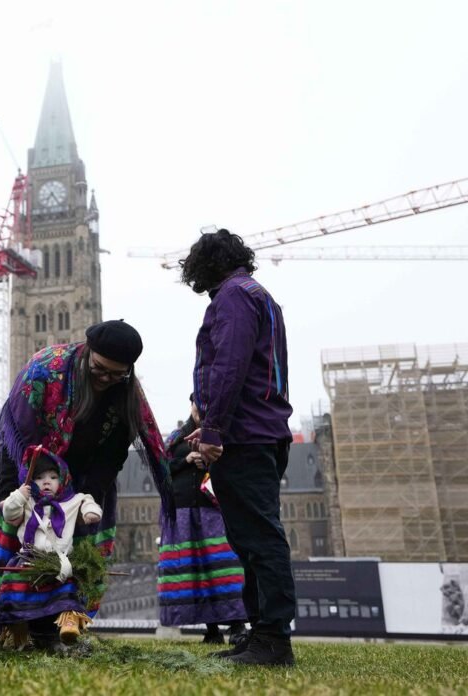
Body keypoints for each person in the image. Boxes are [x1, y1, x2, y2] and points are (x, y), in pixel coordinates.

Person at [0, 319, 171, 648]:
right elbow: (15, 438)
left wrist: (84, 499)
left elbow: (112, 456)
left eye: (116, 374)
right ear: (88, 352)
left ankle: (59, 626)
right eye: (99, 369)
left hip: (82, 475)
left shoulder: (125, 395)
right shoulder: (44, 370)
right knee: (10, 537)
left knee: (75, 547)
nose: (105, 380)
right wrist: (18, 496)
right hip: (20, 463)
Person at [180, 229, 296, 666]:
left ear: (206, 263)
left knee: (260, 537)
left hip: (245, 435)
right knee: (249, 536)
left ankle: (273, 639)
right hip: (261, 429)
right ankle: (259, 629)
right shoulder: (257, 294)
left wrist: (213, 429)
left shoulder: (231, 297)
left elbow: (228, 366)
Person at [158, 398, 246, 644]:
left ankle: (238, 626)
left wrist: (208, 462)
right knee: (195, 571)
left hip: (213, 511)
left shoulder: (222, 435)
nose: (201, 411)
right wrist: (186, 460)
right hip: (183, 511)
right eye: (198, 405)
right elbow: (161, 469)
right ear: (191, 405)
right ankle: (212, 630)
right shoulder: (176, 438)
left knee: (223, 569)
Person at [0, 446, 102, 648]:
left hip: (58, 558)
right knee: (13, 586)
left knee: (68, 587)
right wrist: (19, 495)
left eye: (53, 477)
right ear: (31, 482)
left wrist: (90, 512)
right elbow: (9, 513)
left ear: (62, 480)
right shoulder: (25, 501)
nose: (46, 481)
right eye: (40, 477)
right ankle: (17, 630)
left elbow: (88, 500)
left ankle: (69, 623)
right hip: (28, 558)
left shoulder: (72, 501)